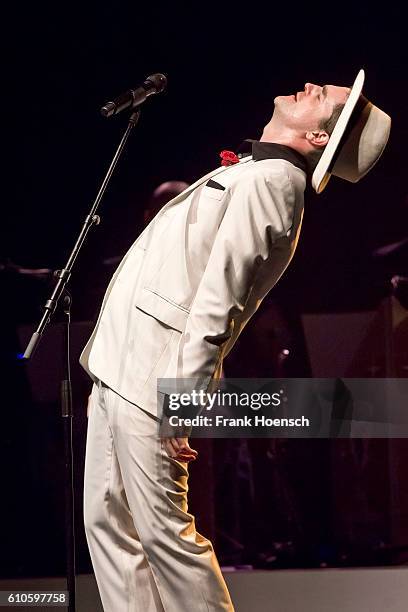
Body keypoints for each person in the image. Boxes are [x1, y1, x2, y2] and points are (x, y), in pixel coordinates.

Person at [80, 69, 390, 611]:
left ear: (320, 137)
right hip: (123, 364)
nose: (313, 85)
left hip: (154, 376)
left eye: (326, 97)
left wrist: (184, 401)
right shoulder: (260, 170)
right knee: (110, 523)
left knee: (163, 537)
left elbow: (219, 300)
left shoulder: (276, 183)